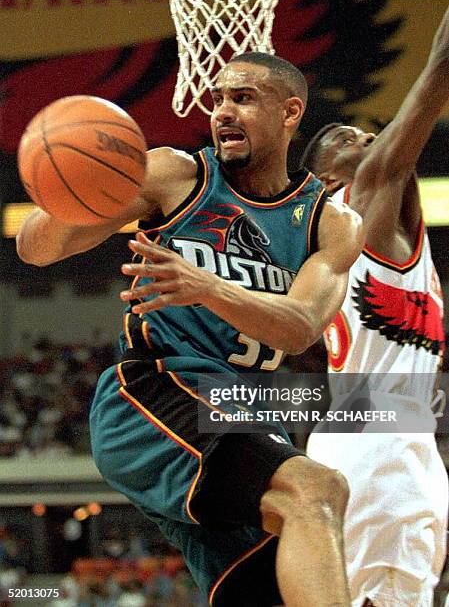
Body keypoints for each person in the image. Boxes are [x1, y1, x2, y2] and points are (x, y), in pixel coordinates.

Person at [16, 52, 364, 606]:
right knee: (317, 489)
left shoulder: (331, 222)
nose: (223, 111)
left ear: (291, 111)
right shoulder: (176, 176)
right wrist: (76, 186)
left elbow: (298, 329)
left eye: (243, 99)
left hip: (235, 408)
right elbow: (34, 248)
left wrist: (207, 287)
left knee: (268, 580)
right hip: (151, 395)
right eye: (217, 99)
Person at [302, 6, 449, 607]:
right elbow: (437, 74)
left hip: (397, 439)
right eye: (344, 141)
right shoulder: (354, 209)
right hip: (375, 441)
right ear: (325, 181)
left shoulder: (390, 239)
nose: (364, 139)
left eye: (366, 133)